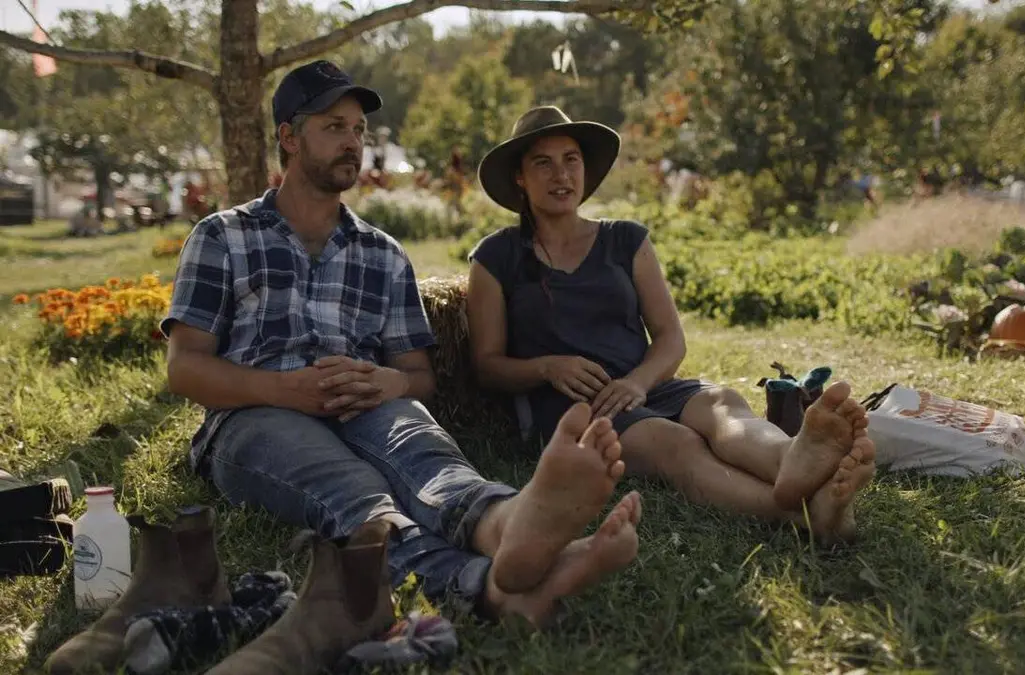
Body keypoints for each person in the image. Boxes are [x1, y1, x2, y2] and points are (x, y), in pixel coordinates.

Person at [162, 62, 642, 628]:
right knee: (356, 493)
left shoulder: (382, 252)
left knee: (430, 460)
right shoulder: (221, 236)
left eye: (359, 130)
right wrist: (285, 389)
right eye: (334, 126)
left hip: (370, 404)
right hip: (257, 417)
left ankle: (510, 523)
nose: (352, 142)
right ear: (289, 137)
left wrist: (391, 382)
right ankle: (481, 584)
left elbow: (418, 375)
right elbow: (185, 368)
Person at [465, 106, 876, 544]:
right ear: (520, 178)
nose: (560, 174)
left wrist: (639, 383)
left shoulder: (626, 239)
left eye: (571, 159)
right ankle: (803, 516)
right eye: (542, 163)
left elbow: (669, 338)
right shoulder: (495, 257)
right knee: (674, 443)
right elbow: (486, 365)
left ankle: (791, 457)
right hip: (577, 409)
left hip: (647, 385)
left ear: (586, 169)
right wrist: (546, 367)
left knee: (723, 402)